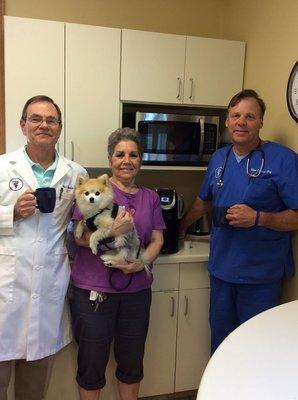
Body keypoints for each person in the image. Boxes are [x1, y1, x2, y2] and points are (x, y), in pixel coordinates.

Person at [180, 89, 298, 354]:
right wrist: (182, 226)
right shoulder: (219, 158)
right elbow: (205, 200)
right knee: (221, 346)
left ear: (261, 122)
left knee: (253, 350)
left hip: (260, 277)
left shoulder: (284, 160)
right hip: (222, 271)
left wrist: (258, 217)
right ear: (227, 121)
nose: (241, 122)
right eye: (235, 115)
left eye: (249, 116)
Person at [0, 95, 88, 400]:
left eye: (51, 120)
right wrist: (11, 213)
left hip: (48, 283)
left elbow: (82, 220)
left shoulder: (76, 173)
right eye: (36, 119)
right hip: (5, 287)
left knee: (35, 383)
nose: (43, 125)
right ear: (23, 125)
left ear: (60, 129)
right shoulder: (2, 167)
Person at [71, 127, 165, 400]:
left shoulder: (150, 197)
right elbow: (79, 237)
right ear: (110, 159)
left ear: (141, 159)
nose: (127, 160)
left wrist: (142, 262)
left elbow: (157, 238)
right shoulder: (93, 190)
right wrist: (113, 232)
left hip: (136, 293)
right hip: (94, 293)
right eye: (120, 154)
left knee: (132, 362)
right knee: (91, 363)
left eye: (133, 154)